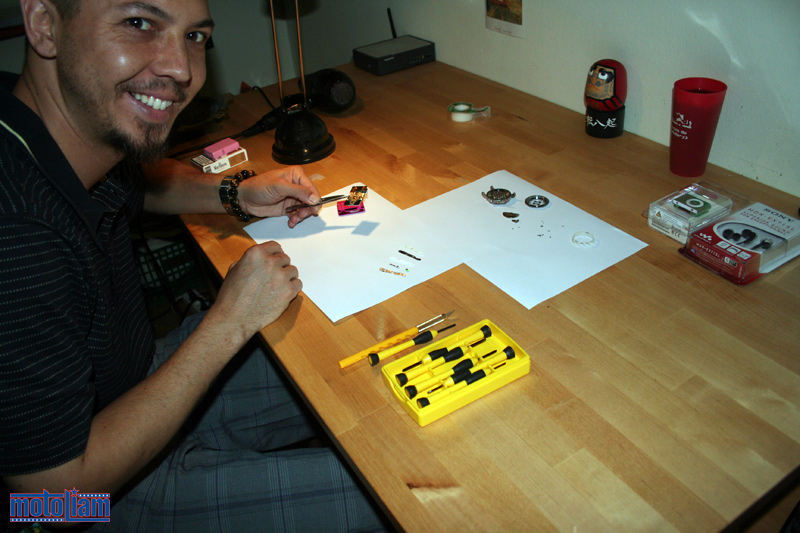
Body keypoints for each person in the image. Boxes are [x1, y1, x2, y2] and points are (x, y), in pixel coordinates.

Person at [0, 0, 386, 531]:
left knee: (366, 357)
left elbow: (139, 181)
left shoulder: (39, 118)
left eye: (195, 37)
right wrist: (228, 323)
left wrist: (236, 193)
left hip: (136, 379)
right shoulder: (17, 233)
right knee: (397, 495)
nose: (181, 69)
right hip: (82, 500)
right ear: (44, 23)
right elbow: (47, 502)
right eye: (139, 24)